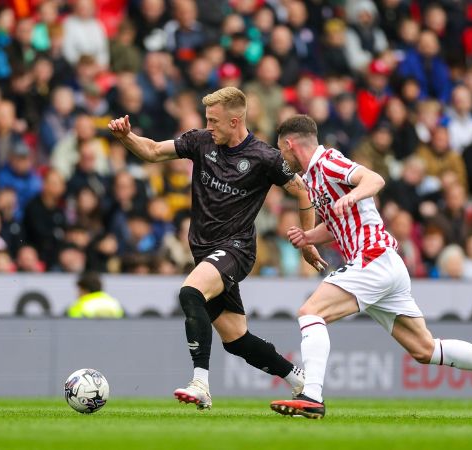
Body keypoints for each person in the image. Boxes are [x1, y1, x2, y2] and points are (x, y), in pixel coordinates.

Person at [269, 115, 472, 419]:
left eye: (281, 150)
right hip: (385, 264)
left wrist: (354, 194)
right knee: (425, 350)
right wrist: (308, 236)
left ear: (290, 143)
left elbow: (375, 180)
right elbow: (339, 225)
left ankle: (312, 395)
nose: (282, 157)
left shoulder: (328, 161)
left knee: (310, 312)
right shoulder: (314, 177)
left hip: (372, 258)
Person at [108, 87, 325, 410]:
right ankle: (299, 381)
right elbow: (153, 151)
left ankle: (201, 383)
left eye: (214, 121)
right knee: (237, 340)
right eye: (207, 120)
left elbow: (303, 190)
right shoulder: (201, 141)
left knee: (190, 293)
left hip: (236, 248)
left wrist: (307, 240)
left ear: (235, 121)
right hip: (204, 250)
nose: (209, 126)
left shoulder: (264, 158)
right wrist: (127, 137)